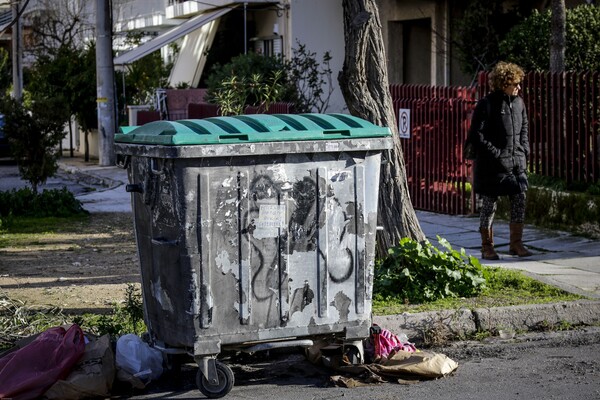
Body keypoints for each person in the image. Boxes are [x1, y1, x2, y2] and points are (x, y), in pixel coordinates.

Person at [467, 61, 532, 260]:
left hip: (515, 163)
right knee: (489, 204)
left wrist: (524, 150)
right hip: (491, 166)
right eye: (515, 84)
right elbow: (477, 134)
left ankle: (516, 244)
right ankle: (487, 246)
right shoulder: (487, 104)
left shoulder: (519, 103)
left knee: (519, 198)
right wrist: (495, 153)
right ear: (504, 83)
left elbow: (524, 129)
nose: (519, 88)